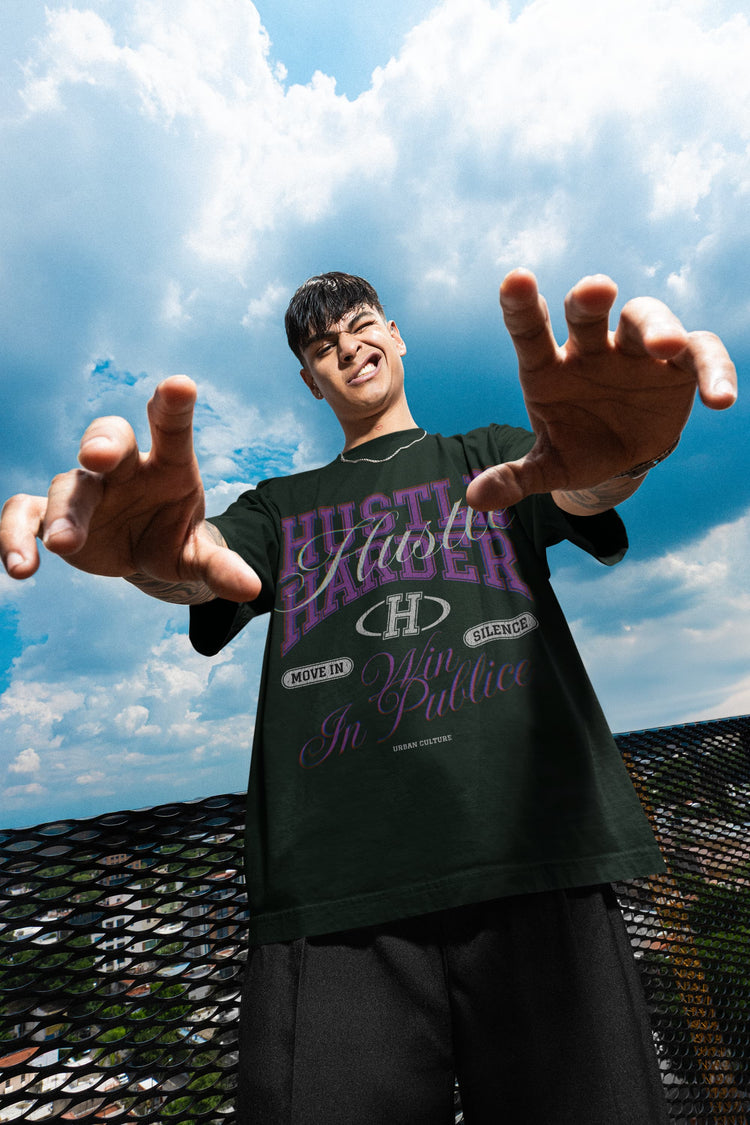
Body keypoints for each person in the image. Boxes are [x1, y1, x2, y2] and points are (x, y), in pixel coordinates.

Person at [0, 269, 737, 1124]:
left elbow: (581, 484)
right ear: (309, 379)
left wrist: (626, 457)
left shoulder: (491, 452)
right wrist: (145, 558)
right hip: (334, 899)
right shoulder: (280, 507)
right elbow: (198, 567)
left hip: (540, 861)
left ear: (396, 331)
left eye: (357, 325)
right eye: (321, 346)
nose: (346, 346)